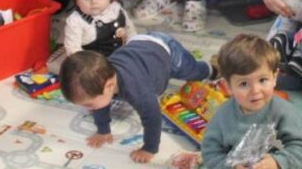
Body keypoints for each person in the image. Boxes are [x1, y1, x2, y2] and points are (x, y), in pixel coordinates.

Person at [59, 33, 216, 164]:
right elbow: (100, 105)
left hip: (165, 49)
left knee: (191, 72)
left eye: (89, 104)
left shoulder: (138, 91)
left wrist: (149, 148)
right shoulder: (104, 79)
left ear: (109, 86)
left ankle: (211, 69)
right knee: (100, 101)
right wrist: (103, 130)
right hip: (139, 43)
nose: (88, 109)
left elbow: (153, 117)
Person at [201, 34, 302, 169]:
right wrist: (230, 167)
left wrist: (278, 162)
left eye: (262, 80)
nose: (255, 90)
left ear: (275, 77)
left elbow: (300, 146)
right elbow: (210, 151)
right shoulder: (223, 115)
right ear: (228, 86)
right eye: (243, 84)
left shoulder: (284, 111)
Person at [46, 0, 135, 75]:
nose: (93, 1)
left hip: (120, 55)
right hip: (91, 63)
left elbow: (130, 30)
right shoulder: (75, 21)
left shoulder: (116, 9)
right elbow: (73, 49)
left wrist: (132, 46)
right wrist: (88, 67)